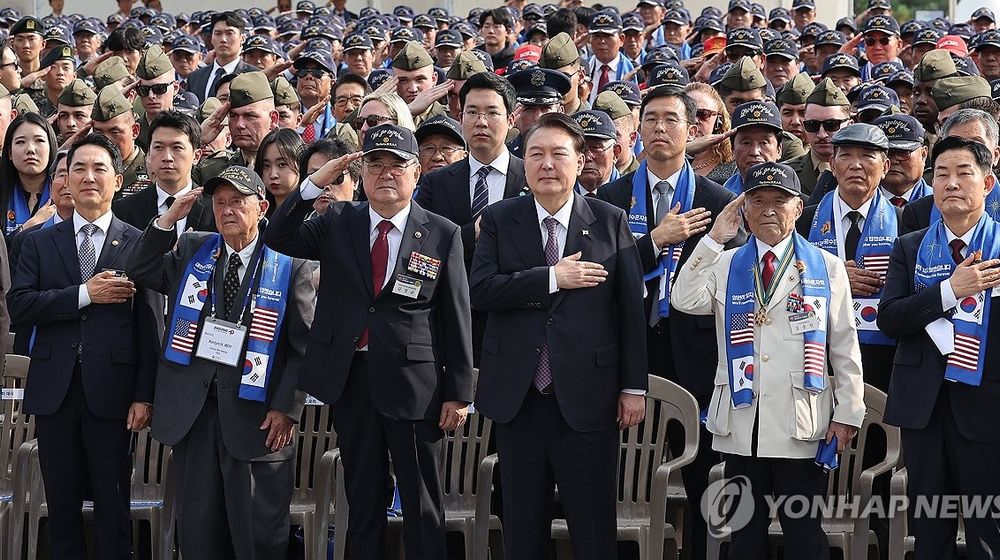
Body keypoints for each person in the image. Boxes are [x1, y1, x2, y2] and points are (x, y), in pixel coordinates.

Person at [264, 123, 474, 560]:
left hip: (415, 385)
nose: (385, 174)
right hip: (352, 378)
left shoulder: (442, 232)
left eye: (396, 166)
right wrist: (315, 182)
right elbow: (278, 238)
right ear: (360, 175)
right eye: (375, 165)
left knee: (421, 502)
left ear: (416, 173)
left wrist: (459, 391)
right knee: (362, 499)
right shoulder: (339, 220)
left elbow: (455, 315)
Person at [470, 111, 646, 559]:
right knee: (523, 528)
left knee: (592, 528)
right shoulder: (497, 219)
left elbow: (628, 310)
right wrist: (551, 277)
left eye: (558, 154)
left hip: (590, 397)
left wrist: (633, 387)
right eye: (536, 154)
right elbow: (481, 290)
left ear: (580, 159)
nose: (547, 164)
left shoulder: (609, 220)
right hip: (519, 398)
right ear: (523, 162)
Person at [671, 160, 866, 560]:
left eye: (780, 201)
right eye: (757, 201)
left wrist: (848, 412)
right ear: (744, 210)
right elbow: (683, 299)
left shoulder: (825, 266)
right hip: (745, 419)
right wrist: (712, 239)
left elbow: (844, 344)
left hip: (801, 419)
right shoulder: (725, 263)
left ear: (798, 208)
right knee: (745, 534)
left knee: (804, 534)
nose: (769, 210)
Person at [127, 164, 314, 560]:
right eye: (220, 203)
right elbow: (140, 269)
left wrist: (286, 407)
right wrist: (167, 219)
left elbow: (304, 346)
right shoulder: (195, 249)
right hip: (195, 414)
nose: (227, 210)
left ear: (262, 207)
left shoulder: (288, 263)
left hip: (256, 416)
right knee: (198, 533)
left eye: (237, 202)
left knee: (257, 537)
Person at [596, 85, 746, 560]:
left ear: (692, 130)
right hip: (631, 343)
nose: (660, 128)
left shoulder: (717, 198)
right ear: (637, 129)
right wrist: (654, 242)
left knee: (702, 466)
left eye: (671, 119)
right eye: (651, 119)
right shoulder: (611, 196)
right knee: (632, 466)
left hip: (697, 350)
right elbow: (601, 276)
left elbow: (731, 282)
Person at [9, 133, 159, 559]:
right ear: (66, 181)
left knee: (114, 507)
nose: (88, 177)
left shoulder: (139, 242)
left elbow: (149, 327)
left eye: (99, 169)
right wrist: (83, 294)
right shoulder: (37, 242)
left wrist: (144, 394)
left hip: (114, 395)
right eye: (78, 169)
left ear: (117, 179)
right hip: (55, 391)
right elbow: (19, 306)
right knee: (60, 508)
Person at [879, 135, 1000, 559]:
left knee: (989, 530)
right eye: (941, 174)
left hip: (986, 406)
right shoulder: (909, 247)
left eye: (963, 173)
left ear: (987, 183)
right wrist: (950, 291)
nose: (950, 183)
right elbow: (890, 318)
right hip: (924, 408)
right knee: (929, 528)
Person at [415, 71, 528, 364]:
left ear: (511, 119)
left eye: (492, 113)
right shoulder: (436, 183)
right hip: (451, 320)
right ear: (460, 115)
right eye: (473, 112)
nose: (481, 122)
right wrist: (470, 233)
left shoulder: (532, 177)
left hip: (516, 319)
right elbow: (420, 251)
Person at [113, 110, 215, 233]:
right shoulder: (125, 209)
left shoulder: (214, 208)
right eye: (158, 147)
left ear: (196, 156)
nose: (167, 157)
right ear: (148, 154)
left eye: (177, 148)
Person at [901, 109, 1000, 234]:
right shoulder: (920, 212)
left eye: (976, 144)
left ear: (996, 155)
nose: (965, 152)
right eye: (954, 144)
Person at [194, 72, 278, 186]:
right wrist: (198, 139)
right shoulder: (210, 169)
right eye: (233, 116)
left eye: (250, 116)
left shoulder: (295, 165)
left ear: (273, 119)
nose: (239, 124)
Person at [785, 79, 852, 199]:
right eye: (812, 125)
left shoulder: (861, 172)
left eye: (831, 125)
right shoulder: (785, 173)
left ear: (849, 125)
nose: (822, 135)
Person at [90, 86, 153, 200]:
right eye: (98, 132)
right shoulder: (87, 171)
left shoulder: (152, 171)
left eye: (115, 132)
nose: (106, 140)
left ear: (135, 131)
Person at [0, 112, 56, 237]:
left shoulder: (65, 192)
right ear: (9, 153)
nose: (30, 149)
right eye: (20, 142)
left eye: (39, 140)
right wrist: (30, 226)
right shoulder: (2, 191)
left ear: (51, 147)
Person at [186, 12, 257, 104]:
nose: (223, 39)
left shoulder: (253, 75)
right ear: (212, 38)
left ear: (242, 38)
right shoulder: (195, 77)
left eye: (229, 33)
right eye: (218, 33)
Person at [505, 67, 571, 159]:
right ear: (515, 115)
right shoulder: (505, 156)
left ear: (561, 112)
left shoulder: (571, 155)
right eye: (529, 109)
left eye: (546, 108)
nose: (538, 117)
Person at [721, 100, 784, 194]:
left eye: (764, 143)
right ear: (732, 149)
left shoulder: (797, 199)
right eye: (746, 143)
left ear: (779, 150)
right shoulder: (718, 197)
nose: (755, 152)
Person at [873, 114, 932, 205]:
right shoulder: (856, 202)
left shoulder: (939, 203)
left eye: (902, 153)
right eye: (886, 154)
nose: (892, 161)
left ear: (923, 154)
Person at [686, 82, 738, 184]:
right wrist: (683, 150)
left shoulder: (733, 164)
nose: (695, 120)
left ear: (718, 121)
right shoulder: (663, 159)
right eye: (688, 113)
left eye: (703, 114)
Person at [299, 138, 360, 214]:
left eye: (336, 178)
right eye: (317, 176)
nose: (325, 186)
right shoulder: (296, 224)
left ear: (355, 181)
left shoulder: (371, 224)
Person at [255, 128, 305, 215]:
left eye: (282, 164)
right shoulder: (257, 215)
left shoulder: (314, 215)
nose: (273, 175)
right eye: (266, 165)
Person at [573, 110, 620, 194]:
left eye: (596, 148)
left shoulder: (633, 192)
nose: (587, 157)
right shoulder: (556, 195)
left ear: (615, 153)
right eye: (580, 149)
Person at [540, 33, 588, 114]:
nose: (556, 86)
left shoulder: (590, 123)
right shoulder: (535, 121)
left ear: (581, 76)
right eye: (548, 78)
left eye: (564, 77)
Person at [55, 79, 96, 145]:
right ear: (57, 121)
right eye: (64, 116)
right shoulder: (49, 150)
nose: (71, 124)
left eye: (79, 116)